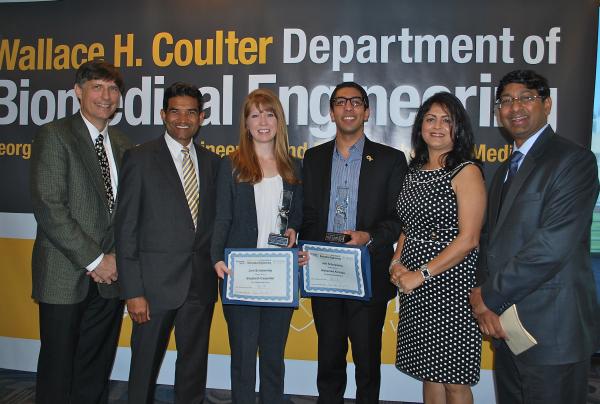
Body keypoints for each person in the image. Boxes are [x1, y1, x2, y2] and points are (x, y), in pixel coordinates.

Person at [470, 69, 600, 404]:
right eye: (507, 101)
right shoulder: (502, 171)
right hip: (507, 330)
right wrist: (487, 302)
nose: (515, 107)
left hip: (552, 333)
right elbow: (489, 242)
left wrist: (488, 295)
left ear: (547, 104)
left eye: (526, 98)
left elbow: (552, 246)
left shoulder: (574, 161)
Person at [30, 59, 131, 404]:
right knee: (59, 371)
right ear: (78, 92)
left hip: (110, 279)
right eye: (97, 87)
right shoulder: (55, 135)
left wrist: (115, 261)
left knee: (95, 368)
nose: (106, 96)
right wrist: (95, 259)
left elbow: (123, 211)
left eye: (113, 89)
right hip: (66, 274)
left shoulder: (120, 143)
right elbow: (50, 208)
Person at [301, 81, 407, 404]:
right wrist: (304, 246)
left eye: (356, 102)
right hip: (325, 275)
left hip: (368, 276)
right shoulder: (314, 158)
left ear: (367, 111)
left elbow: (398, 219)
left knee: (367, 365)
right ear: (331, 112)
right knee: (329, 361)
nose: (348, 108)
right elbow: (306, 214)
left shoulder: (391, 160)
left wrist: (369, 236)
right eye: (341, 102)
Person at [115, 82, 221, 403]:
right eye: (175, 111)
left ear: (201, 117)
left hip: (199, 287)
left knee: (192, 373)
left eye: (191, 112)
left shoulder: (213, 163)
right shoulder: (139, 158)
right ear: (163, 114)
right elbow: (126, 229)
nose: (183, 119)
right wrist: (133, 292)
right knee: (143, 373)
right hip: (153, 290)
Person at [389, 92, 484, 404]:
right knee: (429, 371)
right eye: (431, 119)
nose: (438, 126)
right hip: (415, 287)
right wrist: (397, 260)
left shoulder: (465, 171)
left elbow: (469, 239)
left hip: (451, 285)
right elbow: (408, 225)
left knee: (454, 378)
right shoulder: (414, 170)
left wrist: (421, 274)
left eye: (447, 120)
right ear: (421, 127)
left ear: (459, 128)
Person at [210, 88, 302, 404]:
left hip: (280, 275)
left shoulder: (294, 166)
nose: (262, 121)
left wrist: (293, 232)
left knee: (274, 359)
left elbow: (298, 216)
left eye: (269, 113)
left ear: (278, 120)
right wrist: (215, 257)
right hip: (241, 274)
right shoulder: (232, 165)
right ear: (246, 123)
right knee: (244, 359)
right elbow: (221, 217)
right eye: (254, 114)